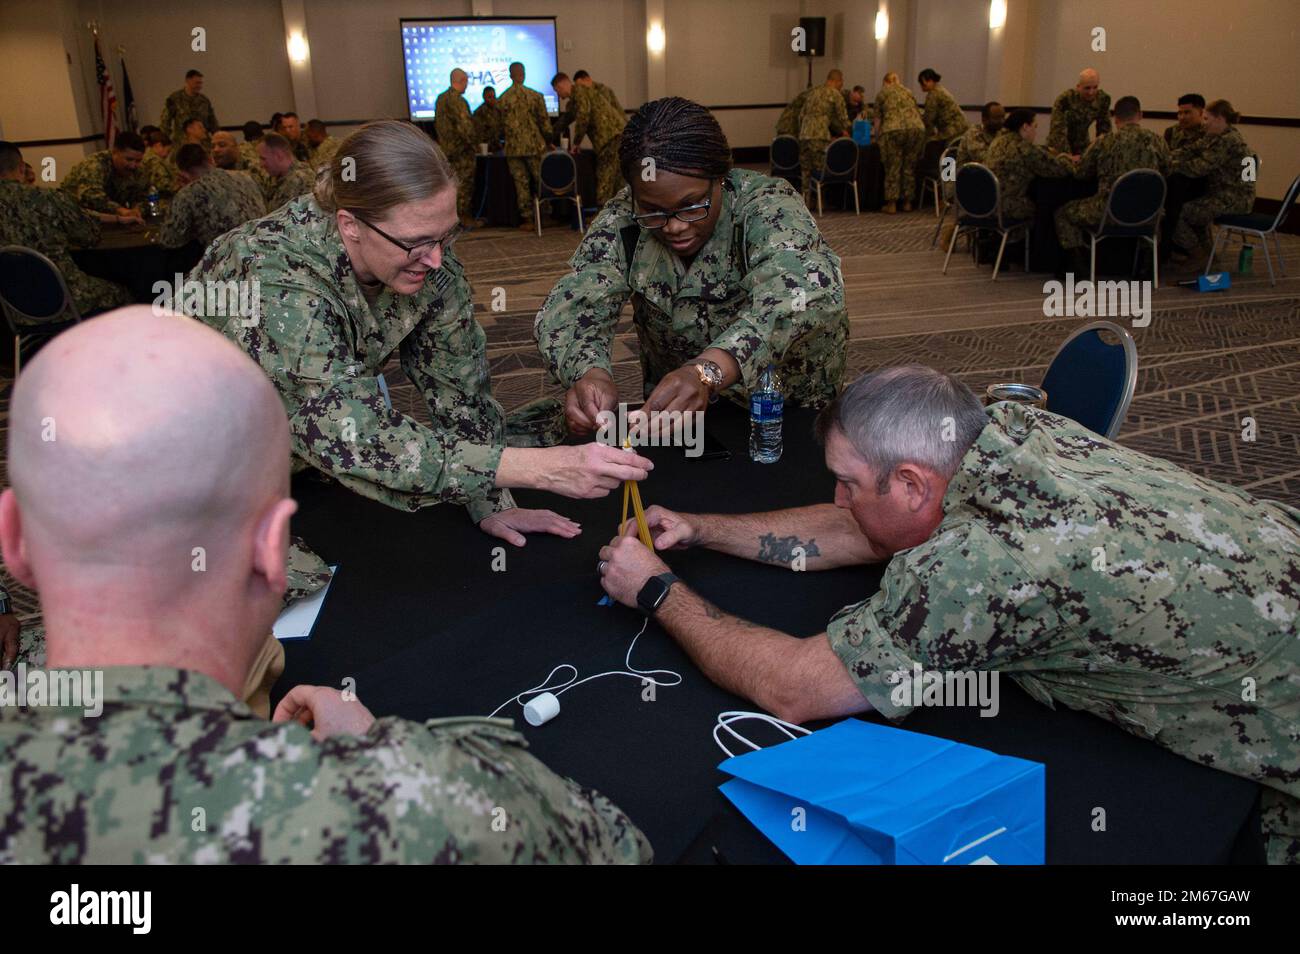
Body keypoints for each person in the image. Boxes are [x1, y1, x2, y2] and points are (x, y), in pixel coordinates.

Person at [0, 306, 652, 865]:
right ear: (272, 547)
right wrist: (382, 760)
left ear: (13, 540)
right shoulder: (426, 807)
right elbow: (618, 847)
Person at [597, 364, 1300, 866]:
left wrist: (656, 590)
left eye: (846, 481)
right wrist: (702, 528)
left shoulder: (980, 566)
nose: (837, 498)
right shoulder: (1016, 430)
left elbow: (795, 688)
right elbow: (872, 527)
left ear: (910, 482)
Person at [190, 120, 651, 547]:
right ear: (349, 225)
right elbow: (346, 429)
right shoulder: (272, 276)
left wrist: (489, 498)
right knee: (270, 584)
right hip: (199, 453)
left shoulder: (426, 257)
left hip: (291, 434)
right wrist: (538, 471)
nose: (434, 260)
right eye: (415, 243)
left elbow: (461, 391)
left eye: (446, 236)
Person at [535, 97, 847, 432]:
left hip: (783, 410)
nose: (674, 226)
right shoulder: (625, 218)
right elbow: (573, 307)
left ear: (721, 179)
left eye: (692, 206)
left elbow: (806, 294)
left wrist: (709, 370)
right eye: (653, 209)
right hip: (681, 416)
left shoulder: (766, 206)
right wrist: (590, 373)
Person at [0, 141, 130, 314]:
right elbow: (89, 236)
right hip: (66, 299)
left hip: (13, 307)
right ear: (22, 168)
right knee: (125, 292)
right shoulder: (46, 197)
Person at [1055, 96, 1169, 275]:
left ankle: (1079, 266)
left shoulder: (1104, 142)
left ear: (1115, 118)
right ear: (1140, 115)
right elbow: (1167, 170)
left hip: (1108, 211)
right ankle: (1147, 266)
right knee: (1155, 211)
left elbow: (1081, 173)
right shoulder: (1158, 141)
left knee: (1063, 213)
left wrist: (1065, 158)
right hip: (1147, 213)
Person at [1168, 99, 1256, 259]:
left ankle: (1198, 256)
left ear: (1220, 119)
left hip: (1235, 199)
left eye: (1207, 119)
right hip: (1222, 194)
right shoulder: (1215, 136)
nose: (1204, 123)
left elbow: (1199, 168)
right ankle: (1208, 256)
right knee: (1194, 210)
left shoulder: (1228, 140)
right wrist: (1166, 156)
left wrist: (1169, 166)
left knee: (1177, 213)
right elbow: (1191, 150)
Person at [158, 143, 266, 249]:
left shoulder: (188, 193)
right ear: (210, 159)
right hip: (264, 249)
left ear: (183, 174)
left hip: (228, 259)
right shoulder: (245, 177)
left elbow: (169, 240)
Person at [551, 70, 627, 205]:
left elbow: (583, 117)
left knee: (604, 177)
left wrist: (576, 143)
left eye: (557, 91)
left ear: (560, 85)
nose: (559, 96)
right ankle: (621, 215)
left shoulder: (579, 91)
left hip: (609, 138)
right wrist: (548, 137)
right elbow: (565, 119)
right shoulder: (578, 97)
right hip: (618, 135)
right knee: (617, 179)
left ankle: (602, 219)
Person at [985, 109, 1075, 220]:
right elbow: (1058, 169)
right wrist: (1066, 159)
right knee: (1048, 204)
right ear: (1025, 127)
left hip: (988, 202)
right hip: (1008, 206)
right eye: (1035, 126)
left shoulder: (997, 141)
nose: (1035, 132)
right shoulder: (1023, 148)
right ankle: (1041, 237)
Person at [498, 62, 552, 230]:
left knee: (521, 183)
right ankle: (545, 215)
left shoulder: (503, 99)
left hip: (513, 149)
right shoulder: (535, 96)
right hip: (535, 146)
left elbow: (499, 127)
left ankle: (527, 218)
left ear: (510, 75)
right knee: (540, 180)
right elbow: (545, 124)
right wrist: (549, 139)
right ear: (524, 73)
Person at [58, 131, 148, 223]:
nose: (133, 165)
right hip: (75, 218)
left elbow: (143, 194)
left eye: (138, 161)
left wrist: (137, 209)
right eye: (129, 159)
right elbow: (91, 197)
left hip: (111, 220)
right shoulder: (94, 164)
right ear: (115, 152)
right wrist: (121, 210)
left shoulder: (138, 169)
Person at [872, 72, 925, 214]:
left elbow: (877, 119)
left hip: (893, 130)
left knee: (893, 167)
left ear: (886, 82)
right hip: (916, 129)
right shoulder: (908, 92)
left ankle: (892, 203)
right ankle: (907, 202)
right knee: (909, 166)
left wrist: (876, 137)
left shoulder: (883, 93)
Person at [797, 70, 851, 198]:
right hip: (819, 136)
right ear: (837, 81)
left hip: (804, 135)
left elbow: (801, 115)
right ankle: (819, 200)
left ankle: (805, 200)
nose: (841, 85)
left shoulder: (812, 92)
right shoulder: (835, 94)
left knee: (805, 170)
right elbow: (842, 118)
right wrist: (847, 132)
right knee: (818, 169)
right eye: (841, 82)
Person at [435, 69, 479, 227]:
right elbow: (465, 127)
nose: (467, 85)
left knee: (450, 185)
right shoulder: (458, 100)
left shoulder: (441, 99)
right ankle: (463, 218)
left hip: (446, 150)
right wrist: (475, 144)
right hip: (462, 152)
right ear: (460, 81)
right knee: (464, 185)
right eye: (466, 82)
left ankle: (450, 220)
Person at [1047, 68, 1111, 156]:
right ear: (1078, 87)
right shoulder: (1065, 100)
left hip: (1082, 145)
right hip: (1059, 147)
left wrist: (1099, 152)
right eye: (1087, 88)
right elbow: (1057, 132)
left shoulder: (1102, 100)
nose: (1091, 92)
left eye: (1095, 87)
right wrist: (1068, 156)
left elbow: (1105, 131)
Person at [159, 69, 217, 147]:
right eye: (197, 83)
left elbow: (212, 122)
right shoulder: (175, 99)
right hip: (182, 144)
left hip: (203, 144)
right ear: (188, 81)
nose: (199, 86)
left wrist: (217, 137)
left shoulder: (204, 101)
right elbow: (165, 122)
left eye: (201, 83)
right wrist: (165, 142)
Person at [257, 132, 314, 211]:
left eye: (263, 159)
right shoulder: (281, 178)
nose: (261, 164)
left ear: (279, 156)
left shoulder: (300, 180)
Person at [918, 68, 967, 142]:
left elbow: (929, 119)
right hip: (960, 127)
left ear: (931, 81)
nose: (921, 86)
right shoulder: (939, 89)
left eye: (922, 83)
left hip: (951, 130)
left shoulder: (933, 95)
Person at [955, 102, 1004, 167]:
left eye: (1002, 117)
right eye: (996, 118)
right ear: (984, 119)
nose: (1001, 121)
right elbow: (985, 160)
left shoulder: (1000, 132)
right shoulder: (974, 134)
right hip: (969, 173)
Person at [140, 129, 178, 199]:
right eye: (167, 151)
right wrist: (179, 185)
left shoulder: (147, 156)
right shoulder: (154, 161)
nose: (167, 155)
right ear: (159, 145)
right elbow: (164, 184)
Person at [473, 86, 505, 151]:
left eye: (494, 97)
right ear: (484, 97)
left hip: (497, 146)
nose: (492, 99)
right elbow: (477, 133)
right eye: (489, 97)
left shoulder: (498, 110)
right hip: (485, 147)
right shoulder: (479, 112)